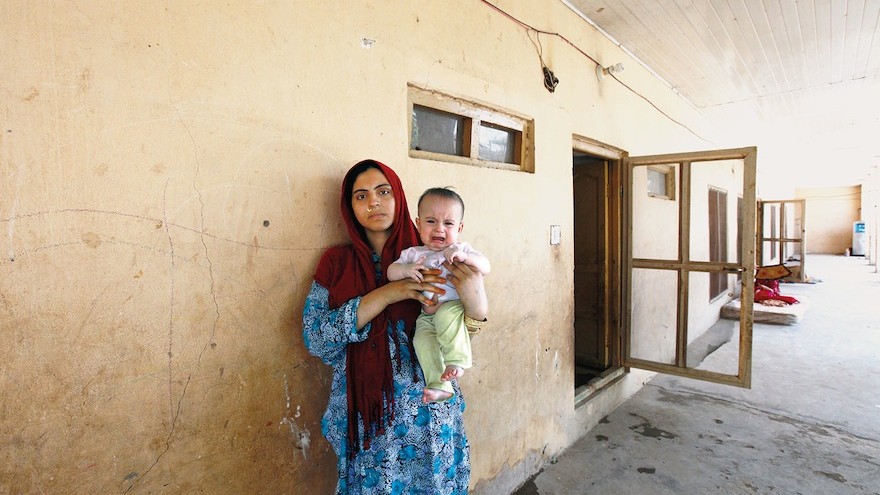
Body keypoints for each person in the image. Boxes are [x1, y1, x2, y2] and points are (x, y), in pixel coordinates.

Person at [302, 159, 488, 494]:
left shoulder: (437, 255)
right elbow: (316, 338)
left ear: (399, 198)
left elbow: (465, 324)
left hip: (428, 411)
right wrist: (388, 293)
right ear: (349, 207)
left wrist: (476, 299)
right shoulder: (337, 263)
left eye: (383, 191)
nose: (373, 201)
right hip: (368, 423)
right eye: (361, 196)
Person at [387, 188, 491, 404]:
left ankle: (457, 362)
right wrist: (406, 270)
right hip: (426, 316)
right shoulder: (414, 254)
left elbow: (486, 266)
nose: (439, 229)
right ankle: (439, 385)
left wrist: (465, 257)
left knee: (445, 318)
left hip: (452, 307)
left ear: (460, 228)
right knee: (422, 341)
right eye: (431, 221)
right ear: (418, 223)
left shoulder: (459, 248)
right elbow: (391, 272)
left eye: (448, 223)